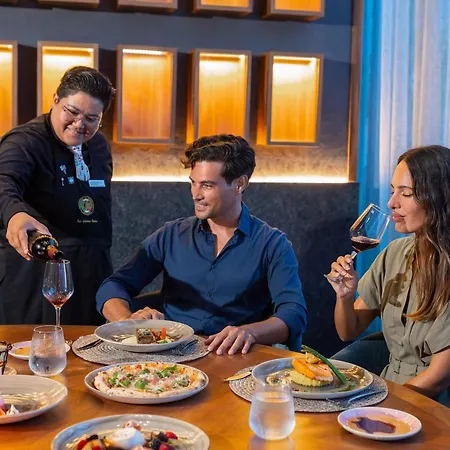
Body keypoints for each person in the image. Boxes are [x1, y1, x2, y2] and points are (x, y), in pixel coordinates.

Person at [97, 134, 307, 355]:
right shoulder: (171, 235)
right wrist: (127, 321)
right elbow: (113, 286)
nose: (195, 194)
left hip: (234, 358)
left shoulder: (272, 244)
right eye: (193, 183)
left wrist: (250, 332)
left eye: (207, 185)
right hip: (170, 357)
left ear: (239, 184)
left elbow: (294, 313)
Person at [328, 145, 450, 404]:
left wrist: (380, 403)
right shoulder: (394, 253)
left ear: (439, 196)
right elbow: (348, 330)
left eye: (406, 193)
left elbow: (439, 377)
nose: (391, 203)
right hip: (389, 388)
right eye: (392, 191)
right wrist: (344, 296)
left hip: (432, 403)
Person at [0, 66, 116, 325]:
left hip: (92, 273)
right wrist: (15, 214)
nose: (79, 124)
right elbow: (4, 182)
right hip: (36, 277)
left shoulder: (99, 145)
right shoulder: (24, 142)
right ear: (55, 100)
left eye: (91, 118)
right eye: (72, 112)